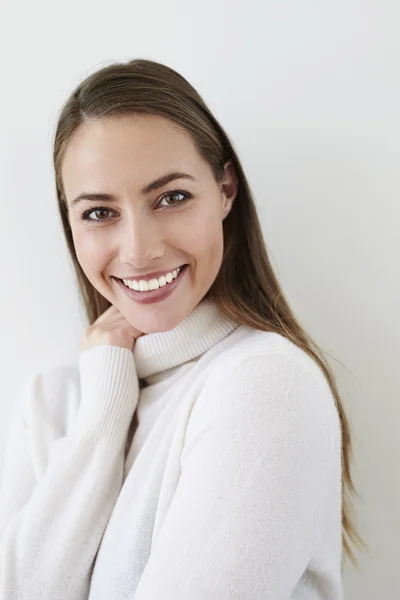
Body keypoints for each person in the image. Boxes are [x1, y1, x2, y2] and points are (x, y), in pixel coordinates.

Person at [0, 58, 364, 599]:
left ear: (225, 190)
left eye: (171, 198)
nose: (140, 250)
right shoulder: (53, 402)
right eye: (99, 213)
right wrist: (104, 413)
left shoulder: (264, 385)